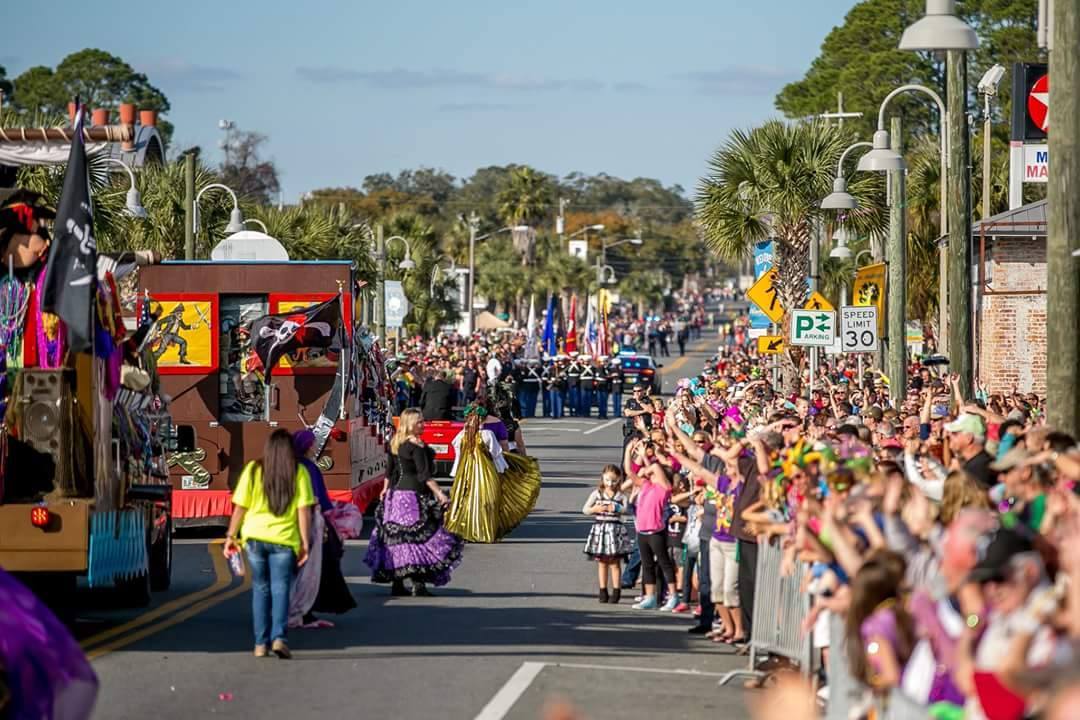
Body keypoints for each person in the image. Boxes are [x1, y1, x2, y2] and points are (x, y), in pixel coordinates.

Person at [224, 429, 316, 658]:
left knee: (260, 588)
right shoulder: (299, 472)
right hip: (285, 541)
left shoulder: (253, 470)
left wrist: (230, 536)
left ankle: (259, 643)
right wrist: (305, 542)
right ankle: (278, 638)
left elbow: (240, 507)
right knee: (281, 589)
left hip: (255, 538)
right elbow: (303, 510)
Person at [364, 409, 464, 596]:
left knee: (398, 539)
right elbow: (424, 475)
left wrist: (386, 489)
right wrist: (440, 494)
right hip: (413, 496)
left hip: (397, 496)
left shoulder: (396, 443)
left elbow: (390, 471)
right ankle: (418, 584)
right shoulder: (416, 446)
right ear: (410, 424)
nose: (423, 424)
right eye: (419, 422)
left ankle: (398, 583)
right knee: (418, 538)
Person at [292, 430, 355, 627]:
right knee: (311, 569)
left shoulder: (287, 466)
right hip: (309, 520)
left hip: (284, 523)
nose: (315, 446)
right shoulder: (309, 468)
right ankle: (304, 610)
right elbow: (320, 497)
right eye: (312, 443)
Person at [582, 464, 634, 604]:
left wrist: (617, 508)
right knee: (602, 562)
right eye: (607, 480)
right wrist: (595, 508)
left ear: (619, 480)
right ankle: (603, 590)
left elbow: (628, 510)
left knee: (615, 563)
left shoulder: (621, 496)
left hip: (615, 531)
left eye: (614, 480)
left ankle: (616, 591)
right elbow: (585, 509)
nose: (610, 484)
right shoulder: (597, 493)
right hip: (600, 531)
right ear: (602, 479)